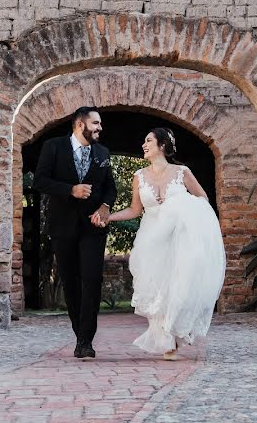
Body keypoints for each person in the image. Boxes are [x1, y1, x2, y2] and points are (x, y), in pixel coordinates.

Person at [103, 128, 226, 360]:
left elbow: (203, 199)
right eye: (144, 140)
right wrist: (109, 217)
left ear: (162, 146)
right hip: (151, 238)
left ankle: (172, 336)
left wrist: (180, 207)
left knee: (178, 282)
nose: (143, 144)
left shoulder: (182, 172)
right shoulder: (139, 176)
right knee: (157, 285)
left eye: (148, 140)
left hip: (180, 236)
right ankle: (165, 336)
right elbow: (134, 210)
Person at [34, 106, 117, 359]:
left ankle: (86, 340)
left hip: (93, 227)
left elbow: (110, 188)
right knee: (71, 282)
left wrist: (105, 206)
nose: (100, 128)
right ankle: (79, 334)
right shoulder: (53, 147)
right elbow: (40, 181)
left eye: (100, 124)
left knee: (92, 279)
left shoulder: (102, 152)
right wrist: (71, 190)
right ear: (80, 125)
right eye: (95, 123)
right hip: (62, 226)